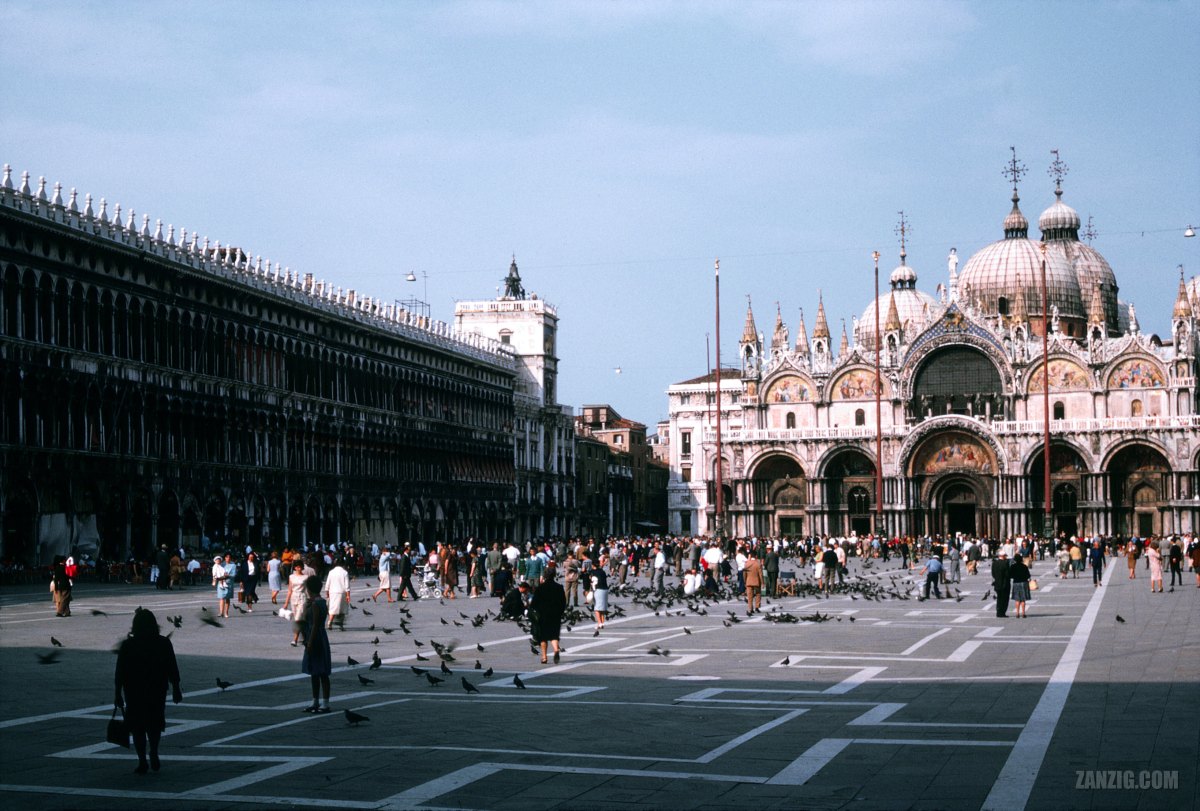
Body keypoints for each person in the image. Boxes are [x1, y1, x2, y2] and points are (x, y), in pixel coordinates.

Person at [114, 608, 182, 773]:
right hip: (156, 689)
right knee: (154, 724)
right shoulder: (163, 643)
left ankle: (142, 759)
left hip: (134, 691)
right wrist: (176, 688)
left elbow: (120, 671)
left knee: (137, 727)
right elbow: (172, 666)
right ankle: (154, 751)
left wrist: (117, 693)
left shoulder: (129, 645)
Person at [300, 575, 332, 713]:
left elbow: (314, 625)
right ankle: (320, 702)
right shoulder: (321, 602)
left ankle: (320, 702)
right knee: (319, 671)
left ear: (309, 589)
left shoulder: (314, 604)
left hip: (315, 637)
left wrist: (310, 642)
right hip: (321, 636)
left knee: (317, 671)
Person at [530, 569, 567, 664]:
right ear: (554, 575)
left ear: (545, 576)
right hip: (555, 615)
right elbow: (563, 602)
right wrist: (560, 612)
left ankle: (544, 657)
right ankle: (556, 650)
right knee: (554, 635)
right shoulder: (559, 587)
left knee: (543, 637)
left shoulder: (541, 587)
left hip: (543, 615)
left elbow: (534, 603)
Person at [284, 561, 309, 647]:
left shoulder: (306, 577)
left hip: (302, 597)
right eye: (296, 567)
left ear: (302, 567)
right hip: (293, 598)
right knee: (297, 619)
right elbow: (289, 590)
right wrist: (286, 603)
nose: (298, 568)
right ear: (294, 567)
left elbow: (308, 589)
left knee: (298, 618)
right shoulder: (291, 577)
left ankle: (295, 639)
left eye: (299, 567)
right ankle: (305, 635)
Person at [323, 560, 351, 629]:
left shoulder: (331, 572)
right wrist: (348, 595)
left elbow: (327, 584)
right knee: (342, 609)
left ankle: (330, 622)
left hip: (332, 592)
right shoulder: (345, 573)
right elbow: (347, 586)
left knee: (332, 608)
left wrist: (327, 593)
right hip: (342, 593)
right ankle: (341, 625)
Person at [591, 554, 610, 630]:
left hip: (598, 590)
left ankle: (599, 623)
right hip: (605, 590)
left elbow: (591, 581)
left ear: (593, 565)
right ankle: (602, 623)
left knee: (596, 608)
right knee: (601, 608)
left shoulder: (592, 572)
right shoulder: (602, 572)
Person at [1009, 553, 1032, 618]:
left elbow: (1010, 575)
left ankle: (1017, 613)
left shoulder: (1013, 566)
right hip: (1024, 583)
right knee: (1023, 599)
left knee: (1017, 599)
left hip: (1016, 583)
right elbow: (1028, 575)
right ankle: (1023, 613)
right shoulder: (1024, 566)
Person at [743, 548, 763, 615]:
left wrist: (745, 581)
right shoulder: (758, 564)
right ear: (756, 556)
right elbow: (760, 574)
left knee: (750, 596)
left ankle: (750, 608)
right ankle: (757, 607)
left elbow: (744, 574)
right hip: (757, 581)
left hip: (748, 582)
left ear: (750, 556)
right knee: (758, 594)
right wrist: (762, 582)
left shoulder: (747, 564)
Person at [991, 551, 1012, 618]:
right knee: (1004, 599)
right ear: (1003, 556)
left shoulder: (994, 563)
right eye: (1005, 556)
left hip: (997, 583)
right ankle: (1002, 612)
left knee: (999, 598)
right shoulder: (1005, 563)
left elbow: (993, 573)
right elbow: (1008, 574)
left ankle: (998, 612)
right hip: (1005, 584)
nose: (1006, 557)